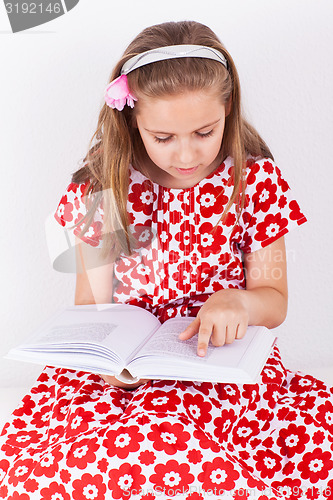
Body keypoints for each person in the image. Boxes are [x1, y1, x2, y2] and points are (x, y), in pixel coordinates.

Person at [1, 20, 333, 500]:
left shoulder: (254, 177)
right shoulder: (103, 184)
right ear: (131, 118)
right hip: (120, 374)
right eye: (163, 137)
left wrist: (238, 304)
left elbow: (274, 300)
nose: (186, 154)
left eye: (204, 132)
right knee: (96, 457)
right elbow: (91, 305)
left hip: (214, 365)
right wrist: (106, 362)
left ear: (228, 110)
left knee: (177, 444)